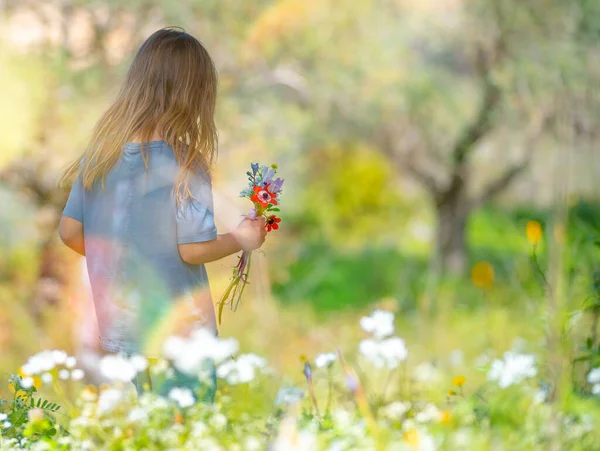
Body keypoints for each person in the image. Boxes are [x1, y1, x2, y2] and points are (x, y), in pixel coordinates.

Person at [58, 27, 267, 400]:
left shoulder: (100, 157)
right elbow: (193, 249)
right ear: (194, 97)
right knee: (187, 431)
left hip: (123, 335)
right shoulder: (185, 162)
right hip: (183, 337)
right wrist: (242, 239)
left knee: (144, 431)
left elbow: (70, 232)